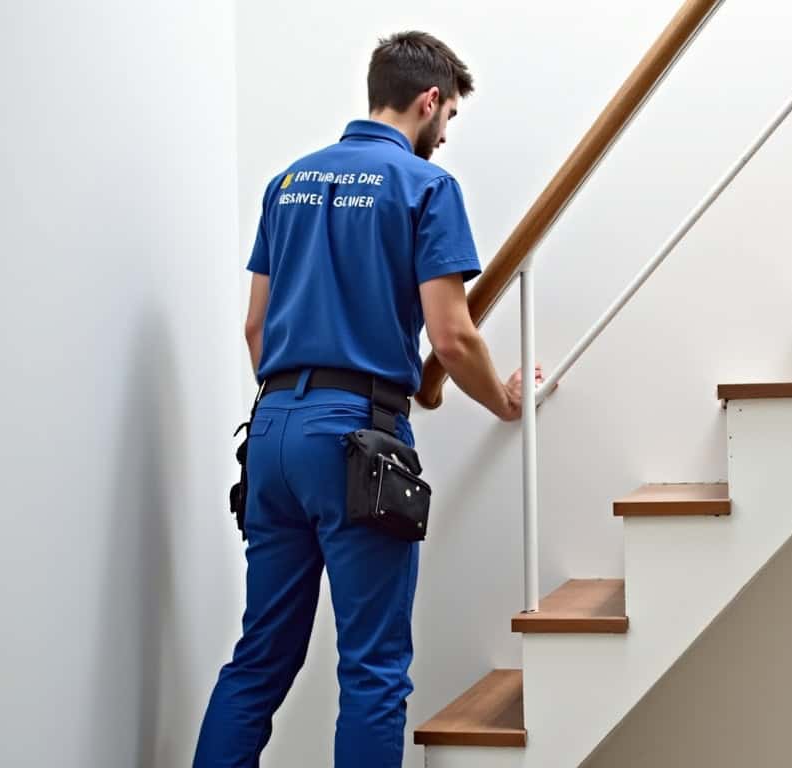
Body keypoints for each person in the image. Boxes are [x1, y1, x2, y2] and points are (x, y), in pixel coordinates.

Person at [194, 31, 534, 768]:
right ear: (430, 101)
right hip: (357, 441)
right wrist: (505, 402)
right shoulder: (425, 187)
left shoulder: (287, 182)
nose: (443, 138)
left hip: (274, 429)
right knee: (373, 672)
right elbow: (452, 338)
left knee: (257, 663)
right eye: (447, 121)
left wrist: (294, 400)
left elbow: (255, 325)